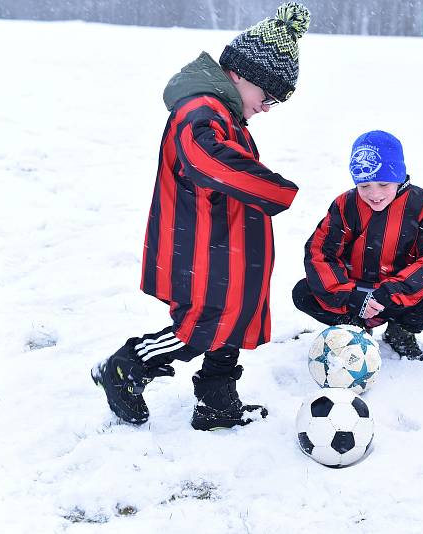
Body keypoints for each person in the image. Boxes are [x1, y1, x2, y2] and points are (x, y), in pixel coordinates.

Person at [91, 3, 311, 430]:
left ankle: (217, 402)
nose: (267, 107)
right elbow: (209, 162)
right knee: (202, 325)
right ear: (242, 75)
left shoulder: (223, 113)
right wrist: (273, 189)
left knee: (232, 319)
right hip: (201, 248)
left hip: (225, 246)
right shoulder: (199, 113)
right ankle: (124, 368)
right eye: (268, 96)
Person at [292, 130, 423, 361]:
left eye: (383, 183)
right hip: (354, 293)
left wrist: (391, 292)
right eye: (365, 185)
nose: (374, 194)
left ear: (400, 177)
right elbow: (320, 253)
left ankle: (400, 332)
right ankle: (353, 327)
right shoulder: (345, 205)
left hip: (395, 296)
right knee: (304, 292)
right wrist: (348, 296)